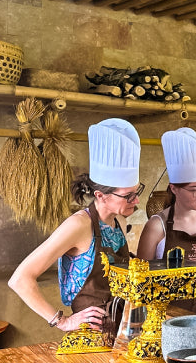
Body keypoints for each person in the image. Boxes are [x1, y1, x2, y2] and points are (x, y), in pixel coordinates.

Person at [9, 118, 142, 333]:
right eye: (128, 196)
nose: (136, 201)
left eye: (137, 192)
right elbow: (20, 279)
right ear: (100, 195)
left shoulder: (119, 219)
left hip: (123, 329)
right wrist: (61, 321)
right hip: (91, 335)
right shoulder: (79, 225)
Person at [137, 127, 196, 323]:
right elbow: (141, 280)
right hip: (168, 316)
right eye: (194, 189)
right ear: (174, 189)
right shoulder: (157, 226)